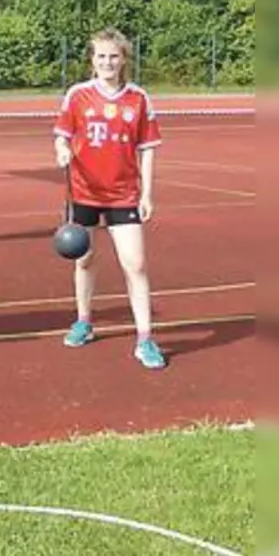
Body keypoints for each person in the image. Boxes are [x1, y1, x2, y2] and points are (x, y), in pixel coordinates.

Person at [53, 29, 166, 370]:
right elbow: (62, 135)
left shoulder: (138, 99)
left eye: (114, 56)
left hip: (123, 194)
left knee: (136, 264)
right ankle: (83, 321)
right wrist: (61, 149)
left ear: (123, 59)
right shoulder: (78, 95)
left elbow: (147, 149)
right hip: (83, 191)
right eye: (101, 56)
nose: (107, 62)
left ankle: (145, 338)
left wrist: (147, 193)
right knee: (84, 260)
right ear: (92, 60)